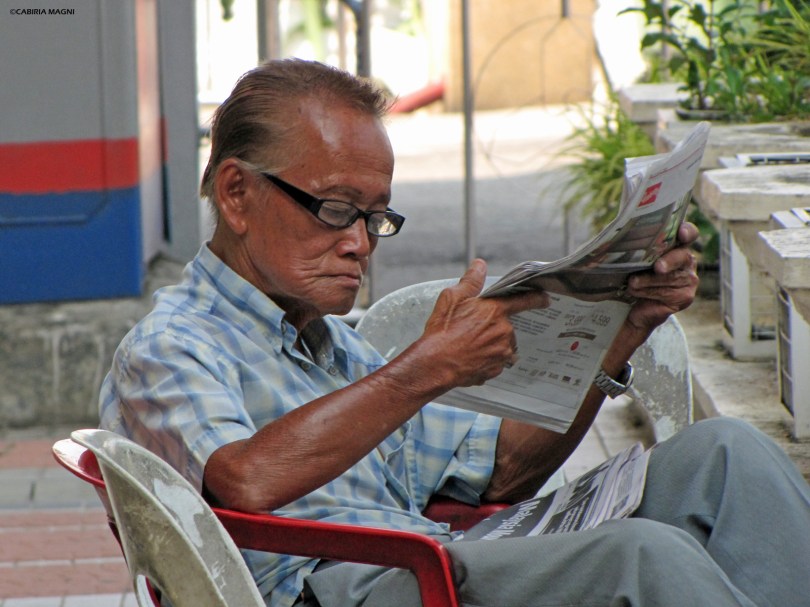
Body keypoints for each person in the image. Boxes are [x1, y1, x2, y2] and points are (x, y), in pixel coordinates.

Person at [99, 58, 810, 607]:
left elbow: (506, 470)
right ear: (236, 192)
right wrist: (425, 368)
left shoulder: (334, 348)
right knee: (643, 556)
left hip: (432, 561)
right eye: (338, 208)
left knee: (728, 453)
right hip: (335, 587)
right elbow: (243, 480)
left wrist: (618, 333)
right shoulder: (170, 347)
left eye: (375, 217)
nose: (360, 243)